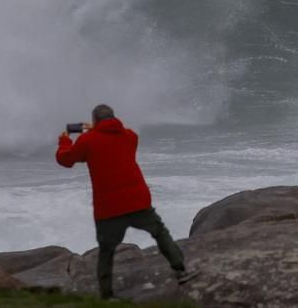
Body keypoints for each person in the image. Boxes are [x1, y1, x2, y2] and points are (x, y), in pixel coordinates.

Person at [56, 104, 197, 299]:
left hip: (108, 208)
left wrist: (64, 140)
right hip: (137, 201)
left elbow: (66, 160)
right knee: (160, 233)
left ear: (95, 121)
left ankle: (107, 296)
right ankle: (181, 271)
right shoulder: (130, 137)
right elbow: (119, 132)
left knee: (107, 251)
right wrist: (98, 128)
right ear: (114, 118)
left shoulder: (87, 140)